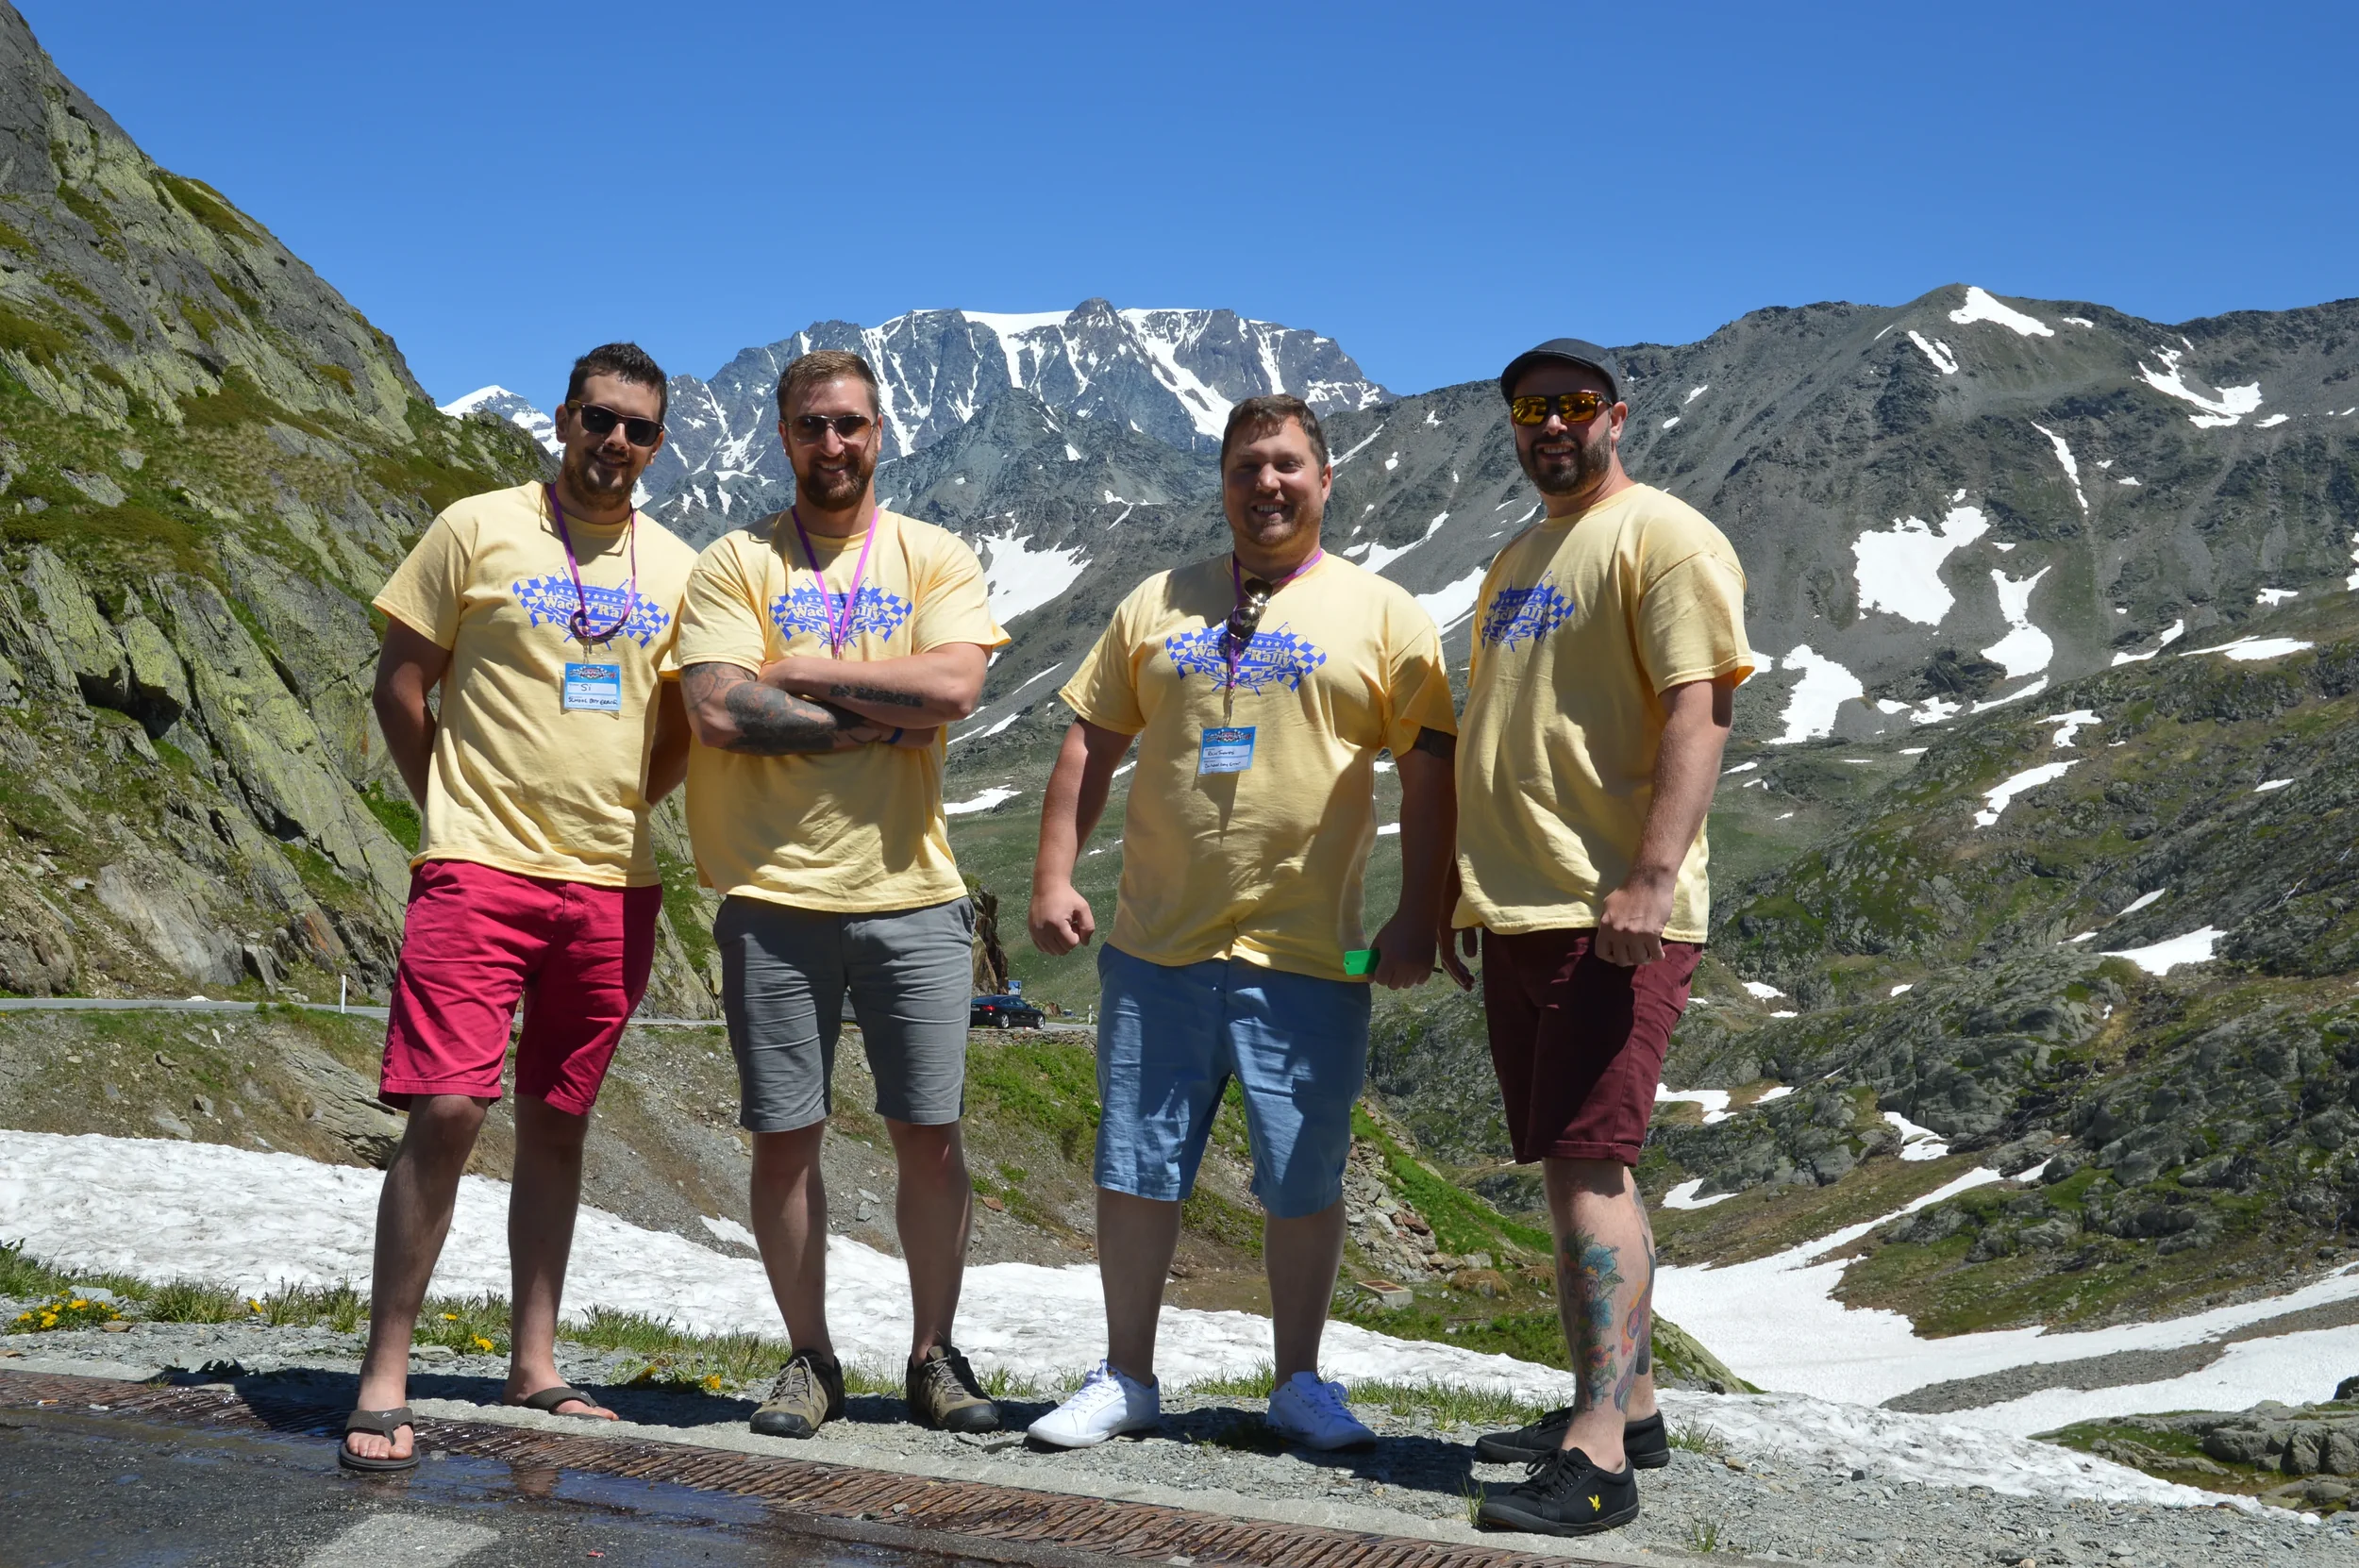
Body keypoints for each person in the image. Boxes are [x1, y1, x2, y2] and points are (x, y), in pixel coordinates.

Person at [1026, 394, 1459, 1452]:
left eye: (1287, 464)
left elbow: (1429, 773)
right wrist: (1052, 875)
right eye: (1245, 466)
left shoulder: (1384, 613)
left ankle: (1299, 1382)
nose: (1266, 483)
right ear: (1222, 482)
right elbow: (1091, 742)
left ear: (1325, 479)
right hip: (1155, 945)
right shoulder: (1156, 602)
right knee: (1135, 1166)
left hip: (1309, 952)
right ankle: (1126, 1376)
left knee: (1303, 1177)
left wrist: (1421, 913)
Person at [343, 342, 699, 1472]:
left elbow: (682, 727)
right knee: (449, 1108)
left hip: (612, 884)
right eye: (600, 418)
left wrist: (628, 803)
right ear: (563, 419)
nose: (615, 441)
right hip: (478, 869)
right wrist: (450, 804)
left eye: (638, 428)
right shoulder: (475, 527)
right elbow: (402, 681)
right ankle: (383, 1376)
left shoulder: (679, 566)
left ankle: (534, 1366)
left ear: (656, 446)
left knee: (558, 1119)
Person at [1448, 340, 1753, 1535]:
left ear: (1616, 417)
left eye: (1573, 405)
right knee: (1575, 1162)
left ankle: (1597, 1456)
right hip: (1522, 905)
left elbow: (1700, 708)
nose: (1550, 425)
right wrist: (1465, 891)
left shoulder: (1663, 537)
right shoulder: (1519, 555)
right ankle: (1633, 1405)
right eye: (1529, 409)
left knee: (1587, 1162)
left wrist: (1651, 877)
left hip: (1605, 911)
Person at [676, 349, 1009, 1440]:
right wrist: (878, 717)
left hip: (913, 893)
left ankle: (933, 1356)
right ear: (783, 435)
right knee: (786, 1137)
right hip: (772, 896)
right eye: (812, 424)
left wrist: (802, 673)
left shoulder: (933, 555)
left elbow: (954, 686)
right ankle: (810, 1359)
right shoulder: (734, 562)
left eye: (851, 424)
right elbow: (719, 711)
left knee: (931, 1134)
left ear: (880, 432)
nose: (833, 443)